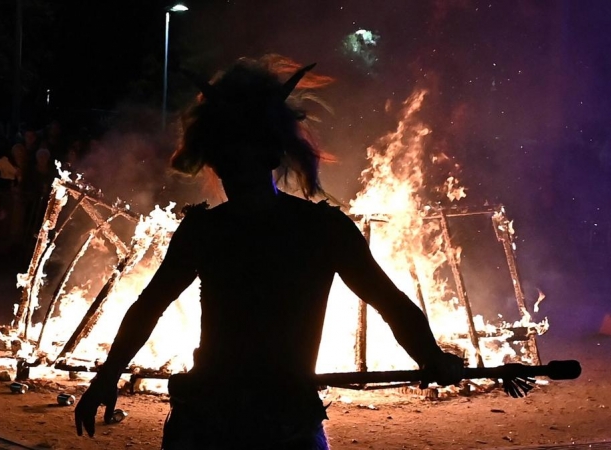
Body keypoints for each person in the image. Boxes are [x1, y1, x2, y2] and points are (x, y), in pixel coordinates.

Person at [74, 57, 464, 449]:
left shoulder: (310, 229)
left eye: (240, 151)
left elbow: (390, 302)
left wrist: (431, 356)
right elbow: (149, 306)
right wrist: (107, 376)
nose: (232, 165)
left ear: (270, 155)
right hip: (225, 419)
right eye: (226, 154)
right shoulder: (233, 230)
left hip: (258, 421)